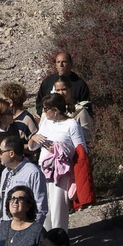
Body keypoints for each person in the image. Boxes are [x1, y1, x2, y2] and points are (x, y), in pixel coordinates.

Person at [30, 95, 92, 231]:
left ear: (56, 110)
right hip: (43, 171)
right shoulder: (46, 122)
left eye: (46, 109)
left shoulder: (72, 124)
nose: (44, 112)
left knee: (58, 211)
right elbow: (32, 147)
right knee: (43, 209)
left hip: (61, 173)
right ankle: (46, 243)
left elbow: (80, 150)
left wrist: (60, 149)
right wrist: (33, 138)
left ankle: (59, 242)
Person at [0, 136, 49, 225]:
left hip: (24, 228)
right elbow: (2, 201)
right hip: (6, 227)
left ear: (11, 153)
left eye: (1, 151)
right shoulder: (5, 172)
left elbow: (40, 207)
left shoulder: (33, 173)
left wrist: (31, 232)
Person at [35, 51, 91, 116]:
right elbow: (39, 102)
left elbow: (86, 106)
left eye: (64, 62)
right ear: (55, 65)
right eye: (58, 62)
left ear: (71, 64)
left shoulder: (79, 84)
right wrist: (46, 115)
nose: (61, 65)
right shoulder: (47, 82)